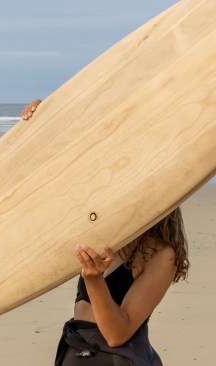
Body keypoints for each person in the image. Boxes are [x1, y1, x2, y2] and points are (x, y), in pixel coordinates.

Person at [21, 99, 190, 365]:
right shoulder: (100, 230)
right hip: (76, 350)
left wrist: (94, 280)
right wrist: (45, 123)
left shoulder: (160, 253)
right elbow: (55, 181)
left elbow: (116, 334)